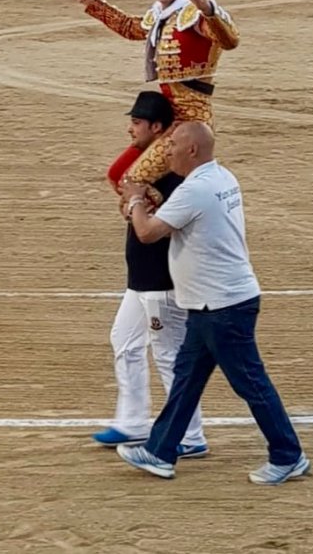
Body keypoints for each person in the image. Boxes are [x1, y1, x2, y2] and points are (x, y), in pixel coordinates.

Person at [118, 122, 310, 485]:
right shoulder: (221, 177)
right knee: (186, 380)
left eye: (173, 145)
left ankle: (289, 455)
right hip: (212, 303)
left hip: (223, 307)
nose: (166, 151)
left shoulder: (196, 190)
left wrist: (135, 198)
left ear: (192, 150)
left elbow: (147, 233)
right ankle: (160, 451)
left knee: (251, 383)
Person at [65, 0, 239, 196]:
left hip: (192, 122)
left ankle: (162, 218)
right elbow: (130, 27)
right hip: (168, 117)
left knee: (132, 182)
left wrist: (207, 8)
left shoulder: (195, 16)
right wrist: (87, 0)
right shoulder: (161, 15)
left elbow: (230, 41)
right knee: (118, 174)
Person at [93, 93, 207, 457]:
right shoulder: (149, 169)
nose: (130, 129)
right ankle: (133, 422)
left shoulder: (172, 174)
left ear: (157, 127)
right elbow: (119, 177)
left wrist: (135, 200)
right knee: (124, 341)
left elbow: (156, 224)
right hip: (141, 278)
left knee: (169, 354)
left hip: (162, 280)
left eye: (137, 123)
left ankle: (190, 435)